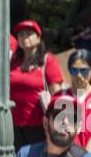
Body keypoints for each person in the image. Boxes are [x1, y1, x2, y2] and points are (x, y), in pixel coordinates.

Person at [9, 20, 63, 148]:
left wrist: (57, 121)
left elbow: (57, 93)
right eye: (21, 35)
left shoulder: (47, 60)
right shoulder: (13, 62)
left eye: (28, 34)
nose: (24, 37)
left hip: (39, 126)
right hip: (13, 125)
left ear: (38, 39)